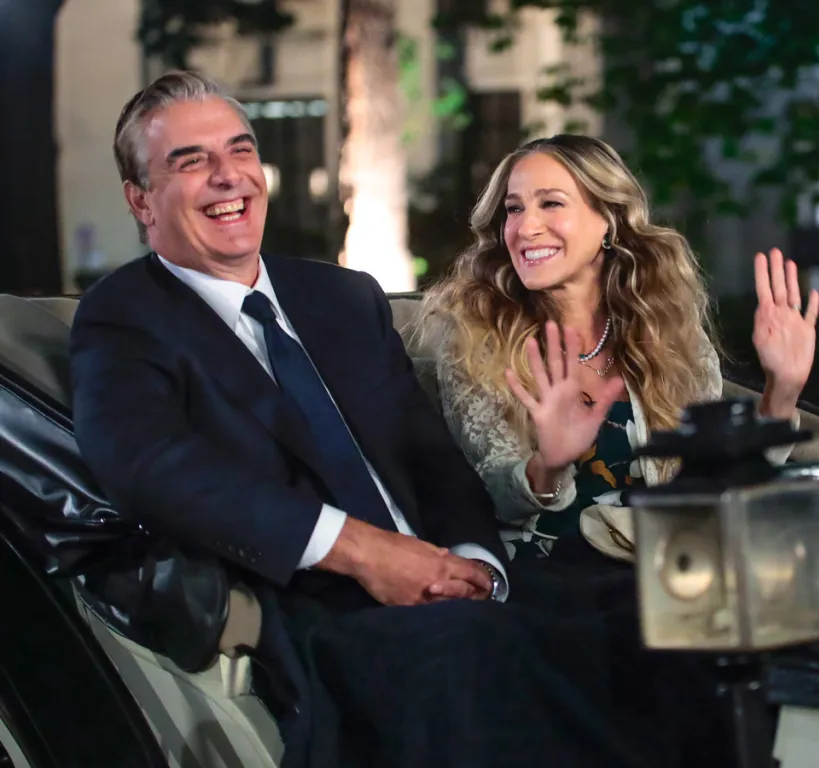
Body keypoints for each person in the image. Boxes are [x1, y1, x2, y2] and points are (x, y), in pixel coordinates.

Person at [71, 73, 701, 768]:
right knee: (479, 653)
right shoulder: (124, 316)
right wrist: (364, 552)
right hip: (322, 605)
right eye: (191, 161)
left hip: (452, 584)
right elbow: (148, 466)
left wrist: (475, 564)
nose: (229, 176)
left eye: (240, 149)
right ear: (141, 200)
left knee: (665, 618)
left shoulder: (340, 296)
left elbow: (432, 459)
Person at [420, 134, 819, 562]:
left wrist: (783, 390)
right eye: (514, 209)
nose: (526, 227)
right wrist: (548, 465)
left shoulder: (666, 329)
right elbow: (488, 495)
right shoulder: (473, 335)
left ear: (608, 221)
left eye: (551, 203)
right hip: (544, 575)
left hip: (667, 566)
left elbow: (714, 481)